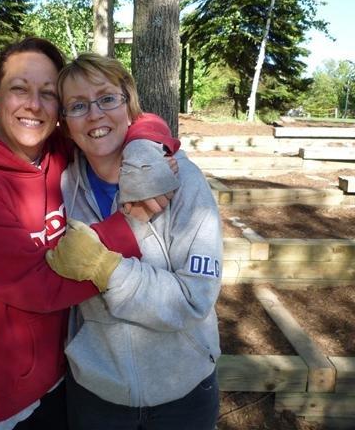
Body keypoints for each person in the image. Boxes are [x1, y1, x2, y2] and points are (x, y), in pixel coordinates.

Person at [0, 37, 179, 429]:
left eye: (48, 93)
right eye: (19, 89)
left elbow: (131, 119)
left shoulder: (56, 150)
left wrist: (149, 148)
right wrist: (128, 224)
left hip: (63, 373)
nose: (34, 104)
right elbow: (37, 286)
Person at [46, 53, 223, 430]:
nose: (94, 114)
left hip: (183, 391)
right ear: (65, 122)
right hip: (97, 394)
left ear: (128, 103)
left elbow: (195, 298)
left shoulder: (183, 180)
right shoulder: (62, 184)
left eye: (107, 98)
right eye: (78, 105)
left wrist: (108, 270)